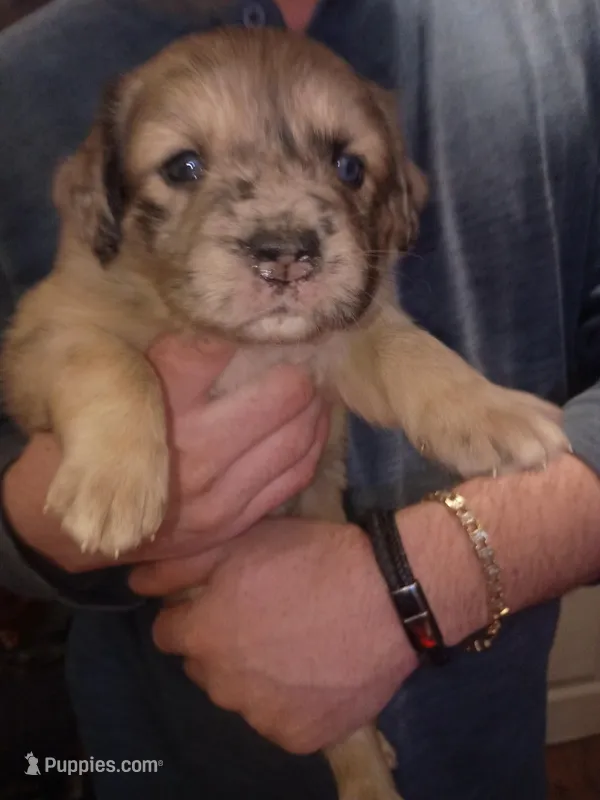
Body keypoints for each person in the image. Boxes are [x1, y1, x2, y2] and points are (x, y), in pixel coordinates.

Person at [1, 1, 600, 798]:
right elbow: (50, 339)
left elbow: (370, 346)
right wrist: (37, 527)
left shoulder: (568, 24)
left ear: (393, 200)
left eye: (348, 168)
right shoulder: (18, 82)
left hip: (488, 751)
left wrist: (452, 557)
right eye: (184, 168)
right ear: (103, 197)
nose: (284, 243)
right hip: (155, 758)